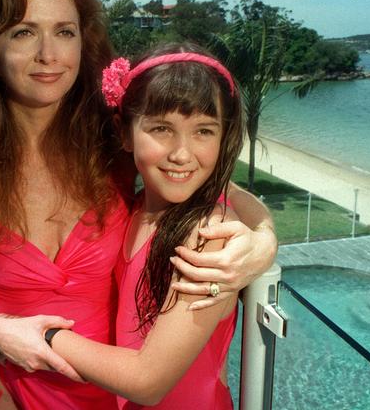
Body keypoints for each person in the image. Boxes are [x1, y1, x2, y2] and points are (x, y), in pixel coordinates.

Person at [0, 0, 277, 410]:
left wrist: (264, 241)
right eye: (24, 32)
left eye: (64, 32)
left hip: (107, 385)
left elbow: (208, 182)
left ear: (82, 43)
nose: (49, 54)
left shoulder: (110, 141)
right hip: (7, 376)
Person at [49, 42, 244, 409]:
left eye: (204, 131)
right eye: (161, 128)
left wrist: (45, 335)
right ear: (125, 133)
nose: (182, 153)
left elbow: (148, 381)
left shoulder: (207, 235)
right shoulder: (135, 210)